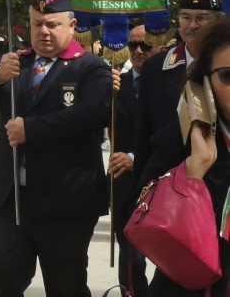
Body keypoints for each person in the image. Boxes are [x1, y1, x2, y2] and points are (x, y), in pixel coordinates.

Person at [0, 0, 112, 297]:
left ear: (72, 25)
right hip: (11, 199)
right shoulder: (17, 63)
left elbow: (91, 114)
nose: (43, 31)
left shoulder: (91, 67)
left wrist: (31, 130)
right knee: (2, 282)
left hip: (65, 202)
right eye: (37, 24)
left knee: (66, 287)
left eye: (52, 24)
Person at [146, 18, 230, 296]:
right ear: (205, 81)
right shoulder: (178, 139)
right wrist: (190, 174)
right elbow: (137, 217)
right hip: (189, 286)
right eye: (228, 76)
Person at [135, 0, 224, 190]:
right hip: (168, 184)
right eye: (186, 17)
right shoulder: (155, 68)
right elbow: (145, 138)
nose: (192, 25)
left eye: (201, 18)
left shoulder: (226, 67)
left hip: (222, 182)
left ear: (219, 21)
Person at [109, 24, 155, 297]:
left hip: (162, 181)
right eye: (133, 45)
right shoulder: (116, 84)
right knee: (130, 258)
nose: (139, 51)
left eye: (145, 45)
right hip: (125, 186)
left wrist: (136, 158)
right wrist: (102, 92)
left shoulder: (174, 82)